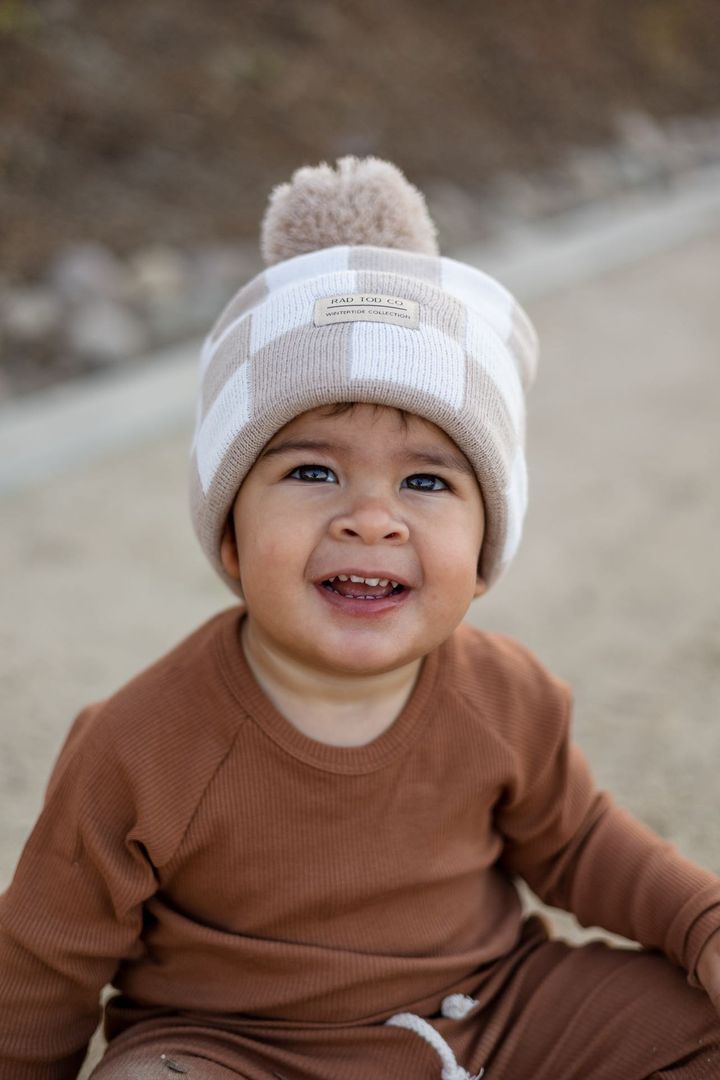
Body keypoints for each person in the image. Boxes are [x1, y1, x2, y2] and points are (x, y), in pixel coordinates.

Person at [1, 156, 719, 1080]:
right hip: (242, 1045)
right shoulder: (139, 745)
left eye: (427, 482)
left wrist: (702, 923)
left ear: (485, 549)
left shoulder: (505, 696)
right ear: (230, 534)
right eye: (313, 471)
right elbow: (43, 960)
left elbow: (580, 845)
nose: (371, 519)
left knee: (694, 1022)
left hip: (490, 1013)